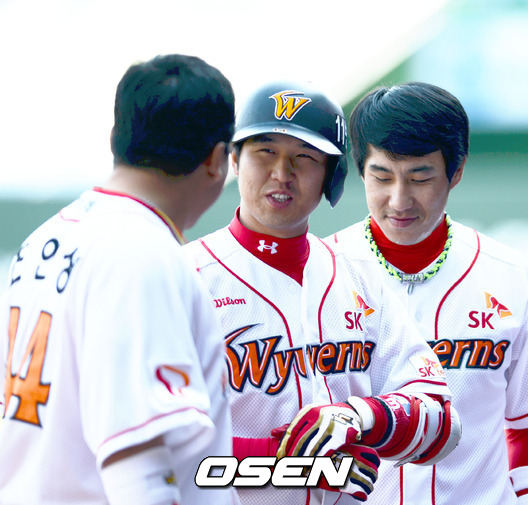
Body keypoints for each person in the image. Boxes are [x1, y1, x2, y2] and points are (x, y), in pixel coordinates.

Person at [181, 79, 461, 505]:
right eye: (265, 151)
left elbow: (444, 425)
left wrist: (364, 416)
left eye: (304, 157)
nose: (282, 173)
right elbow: (146, 441)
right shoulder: (182, 277)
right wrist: (288, 460)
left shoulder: (358, 278)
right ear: (234, 160)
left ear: (332, 176)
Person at [0, 54, 238, 505]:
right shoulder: (141, 253)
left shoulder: (44, 238)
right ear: (216, 160)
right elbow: (138, 464)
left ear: (116, 138)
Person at [326, 81, 528, 504]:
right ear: (360, 171)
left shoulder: (509, 276)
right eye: (382, 176)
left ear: (456, 171)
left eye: (420, 177)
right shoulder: (319, 274)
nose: (399, 199)